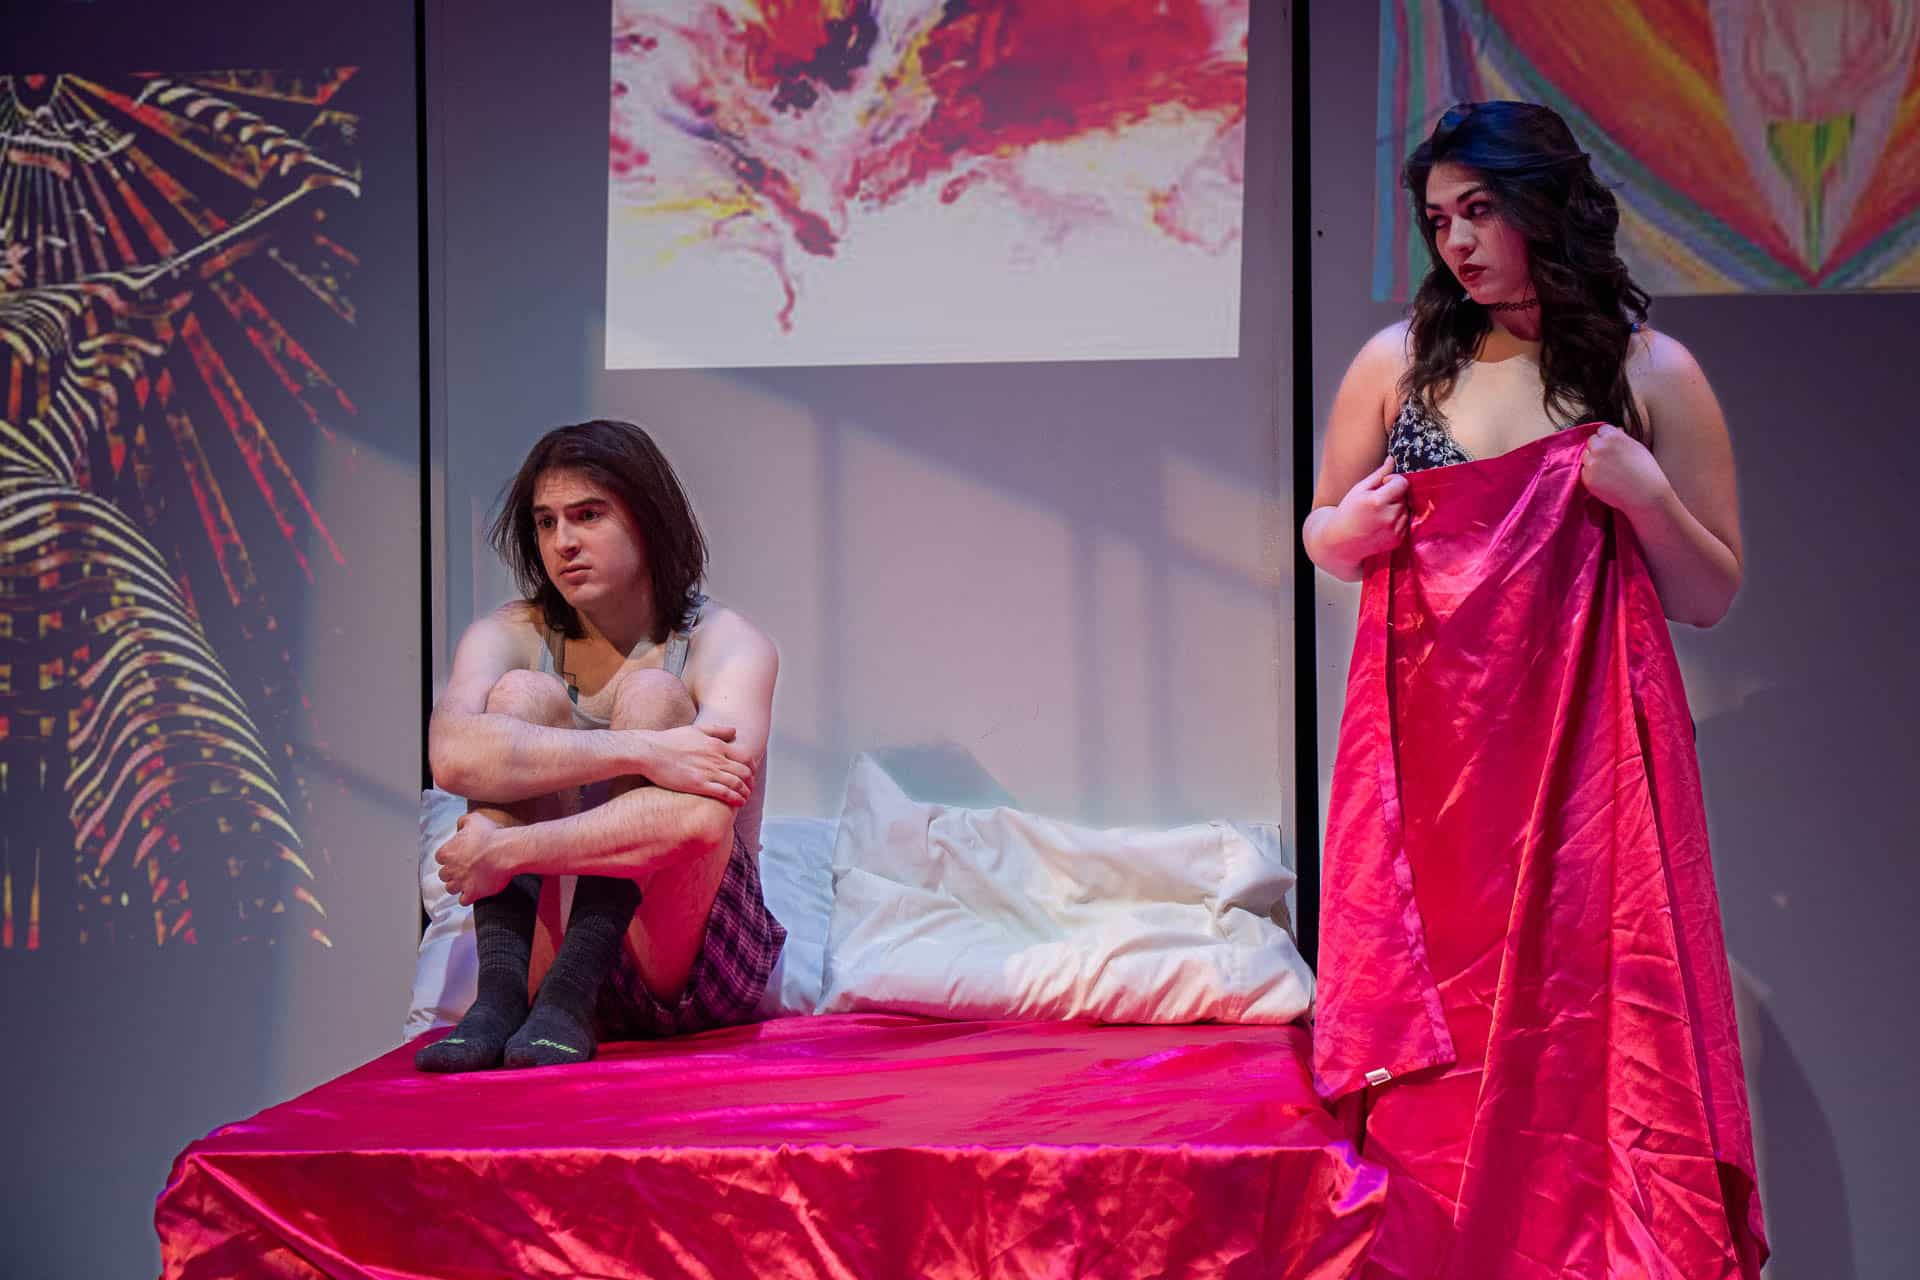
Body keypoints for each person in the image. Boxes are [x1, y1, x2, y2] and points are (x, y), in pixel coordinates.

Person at [1305, 102, 1767, 1277]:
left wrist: (1646, 494)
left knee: (1588, 1039)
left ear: (1544, 202)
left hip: (1584, 786)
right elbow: (1323, 531)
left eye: (1479, 210)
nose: (1456, 241)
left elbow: (1709, 591)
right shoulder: (1397, 363)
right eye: (1437, 219)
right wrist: (1344, 532)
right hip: (1430, 783)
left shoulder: (1649, 371)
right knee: (1438, 1049)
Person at [416, 419, 784, 1071]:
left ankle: (572, 992)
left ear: (647, 518)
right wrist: (643, 753)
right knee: (519, 696)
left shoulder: (726, 643)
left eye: (588, 515)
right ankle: (500, 1000)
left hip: (691, 968)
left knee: (653, 695)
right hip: (541, 973)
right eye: (546, 522)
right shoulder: (510, 633)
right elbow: (452, 758)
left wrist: (506, 851)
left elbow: (699, 823)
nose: (563, 542)